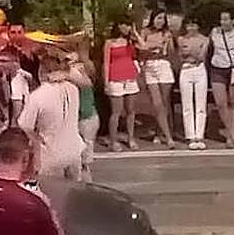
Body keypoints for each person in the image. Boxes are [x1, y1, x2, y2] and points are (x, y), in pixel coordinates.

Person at [18, 50, 85, 179]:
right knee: (74, 190)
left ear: (41, 71)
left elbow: (24, 126)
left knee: (50, 193)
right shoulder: (73, 89)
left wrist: (36, 140)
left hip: (50, 154)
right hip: (74, 149)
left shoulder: (37, 96)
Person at [137, 9, 176, 148]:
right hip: (150, 66)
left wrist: (168, 43)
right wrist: (153, 46)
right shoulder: (145, 32)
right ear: (153, 18)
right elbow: (141, 49)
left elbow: (170, 53)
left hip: (163, 65)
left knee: (164, 103)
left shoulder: (167, 33)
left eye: (163, 19)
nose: (161, 21)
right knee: (157, 103)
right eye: (158, 18)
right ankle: (168, 137)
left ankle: (161, 132)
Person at [208, 9, 234, 147]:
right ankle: (231, 134)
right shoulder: (215, 32)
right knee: (220, 103)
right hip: (218, 68)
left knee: (231, 103)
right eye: (221, 19)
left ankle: (231, 134)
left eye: (226, 19)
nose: (223, 22)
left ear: (233, 20)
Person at [102, 18, 140, 151]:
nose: (127, 27)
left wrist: (135, 33)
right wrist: (106, 82)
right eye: (125, 24)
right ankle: (113, 140)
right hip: (115, 78)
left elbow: (144, 46)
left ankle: (131, 138)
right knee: (116, 111)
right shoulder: (109, 43)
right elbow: (106, 63)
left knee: (130, 110)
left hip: (130, 77)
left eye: (129, 25)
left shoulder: (130, 41)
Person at [177, 17, 209, 149]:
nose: (191, 28)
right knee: (187, 104)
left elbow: (201, 56)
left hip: (200, 70)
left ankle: (199, 135)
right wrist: (190, 52)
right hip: (186, 69)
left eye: (193, 25)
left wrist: (190, 51)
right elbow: (181, 55)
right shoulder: (181, 39)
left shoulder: (205, 39)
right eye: (188, 25)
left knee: (201, 103)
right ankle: (190, 135)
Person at [70, 45, 99, 179]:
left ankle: (86, 180)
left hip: (86, 115)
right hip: (73, 117)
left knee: (85, 151)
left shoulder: (84, 70)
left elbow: (87, 83)